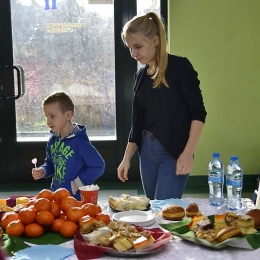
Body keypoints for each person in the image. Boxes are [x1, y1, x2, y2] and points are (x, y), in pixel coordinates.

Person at [117, 12, 207, 200]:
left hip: (173, 153)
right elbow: (137, 123)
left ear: (155, 40)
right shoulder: (140, 77)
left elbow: (198, 114)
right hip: (146, 154)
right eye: (130, 48)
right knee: (152, 213)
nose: (133, 54)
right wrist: (126, 158)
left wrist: (187, 153)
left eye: (138, 46)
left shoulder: (180, 67)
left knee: (165, 214)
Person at [32, 91, 105, 200]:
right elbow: (50, 163)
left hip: (77, 201)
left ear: (68, 115)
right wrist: (43, 171)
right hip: (56, 197)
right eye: (46, 116)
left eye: (52, 116)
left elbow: (99, 166)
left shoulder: (80, 142)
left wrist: (76, 185)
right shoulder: (53, 140)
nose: (48, 121)